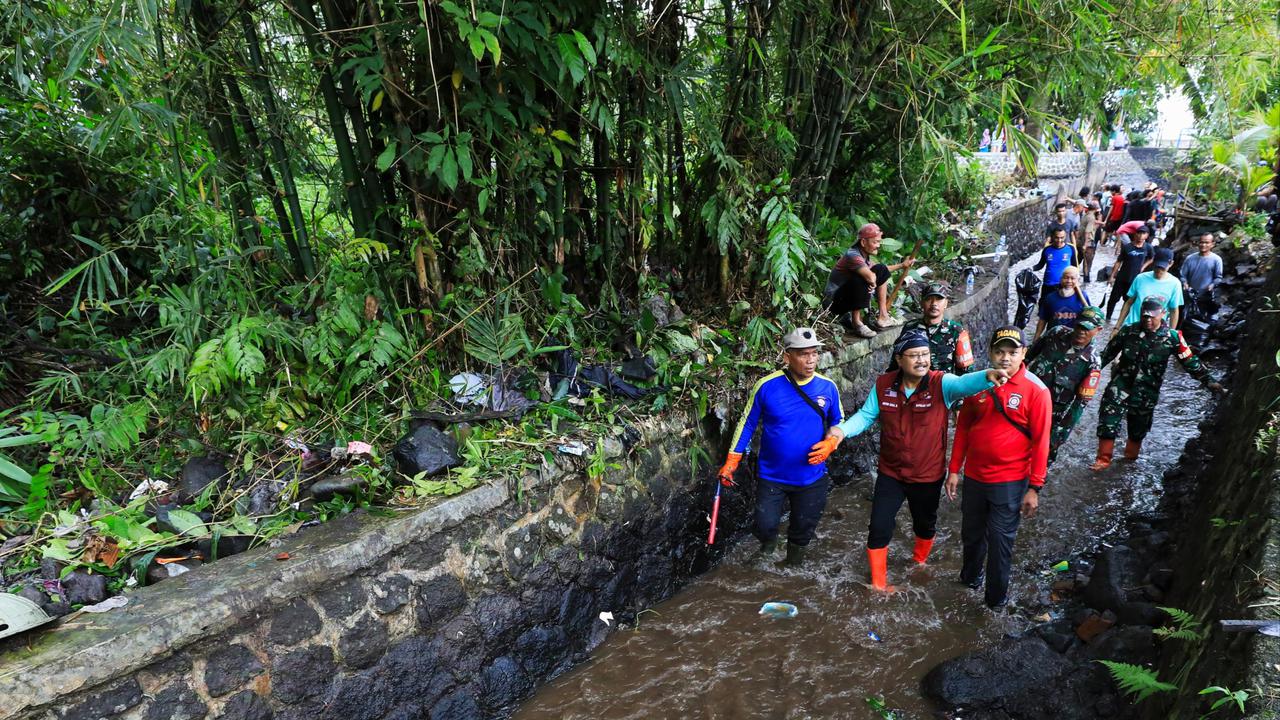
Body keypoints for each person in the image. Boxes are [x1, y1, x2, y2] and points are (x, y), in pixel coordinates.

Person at [807, 330, 1009, 592]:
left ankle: (919, 560)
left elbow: (964, 383)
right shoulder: (884, 384)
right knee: (878, 525)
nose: (922, 360)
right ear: (900, 359)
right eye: (914, 355)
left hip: (927, 474)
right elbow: (866, 416)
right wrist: (840, 432)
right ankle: (879, 585)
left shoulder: (941, 384)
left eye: (925, 354)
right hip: (891, 472)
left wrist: (987, 377)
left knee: (924, 524)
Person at [718, 328, 843, 567]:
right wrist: (732, 460)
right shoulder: (767, 386)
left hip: (811, 477)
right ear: (787, 356)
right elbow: (747, 422)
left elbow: (838, 422)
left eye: (815, 353)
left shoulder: (828, 387)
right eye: (803, 354)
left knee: (803, 528)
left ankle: (792, 566)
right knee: (764, 523)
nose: (811, 360)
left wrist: (831, 442)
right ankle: (768, 547)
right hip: (772, 475)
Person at [946, 326, 1052, 609]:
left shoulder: (1036, 391)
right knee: (971, 534)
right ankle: (970, 580)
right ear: (990, 353)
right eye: (999, 351)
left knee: (1000, 543)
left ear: (1023, 354)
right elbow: (964, 428)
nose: (1005, 358)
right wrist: (954, 469)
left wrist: (1034, 487)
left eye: (1012, 352)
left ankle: (995, 603)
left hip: (1010, 481)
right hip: (975, 478)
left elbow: (1042, 442)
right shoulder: (977, 383)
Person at [1089, 298, 1223, 469]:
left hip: (1147, 390)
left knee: (1138, 429)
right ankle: (1103, 460)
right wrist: (1085, 372)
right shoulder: (1128, 332)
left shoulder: (1172, 338)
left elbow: (1189, 361)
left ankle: (1128, 462)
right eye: (1145, 317)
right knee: (1108, 419)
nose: (1148, 321)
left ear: (1163, 314)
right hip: (1121, 384)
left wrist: (1209, 381)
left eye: (1152, 317)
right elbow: (1105, 356)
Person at [1026, 306, 1104, 463]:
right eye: (1079, 326)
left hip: (1052, 414)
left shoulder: (1092, 362)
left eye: (1087, 329)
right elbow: (1027, 357)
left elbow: (1079, 404)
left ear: (1098, 330)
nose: (1081, 331)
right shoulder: (1056, 333)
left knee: (1041, 458)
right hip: (1026, 400)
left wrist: (1060, 434)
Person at [824, 223, 915, 339]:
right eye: (875, 242)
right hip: (833, 302)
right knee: (862, 278)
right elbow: (870, 277)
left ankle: (883, 316)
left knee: (880, 269)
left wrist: (902, 265)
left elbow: (881, 271)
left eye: (879, 242)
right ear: (863, 242)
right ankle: (856, 323)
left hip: (844, 300)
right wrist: (872, 281)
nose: (878, 246)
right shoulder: (853, 255)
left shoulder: (864, 257)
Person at [888, 283, 975, 375]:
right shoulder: (910, 327)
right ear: (922, 303)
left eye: (939, 299)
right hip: (915, 385)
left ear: (946, 303)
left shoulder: (956, 331)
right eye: (929, 299)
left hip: (943, 386)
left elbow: (966, 370)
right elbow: (896, 363)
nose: (934, 304)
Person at [1117, 248, 1183, 328]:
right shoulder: (1140, 278)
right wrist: (1117, 327)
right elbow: (1128, 303)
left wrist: (1172, 333)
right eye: (1157, 266)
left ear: (1171, 264)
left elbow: (1174, 311)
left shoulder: (1175, 284)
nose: (1159, 270)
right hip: (1132, 325)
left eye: (1162, 268)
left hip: (1154, 330)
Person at [1104, 225, 1156, 321]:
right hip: (1122, 277)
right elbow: (1119, 261)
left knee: (1128, 301)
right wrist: (1112, 276)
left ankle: (1121, 320)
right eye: (1139, 233)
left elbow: (1151, 258)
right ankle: (1107, 319)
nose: (1140, 236)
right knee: (1113, 299)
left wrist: (1143, 267)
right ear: (1135, 234)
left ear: (1147, 235)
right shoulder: (1128, 247)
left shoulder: (1148, 248)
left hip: (1135, 280)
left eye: (1143, 233)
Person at [1033, 266, 1090, 342]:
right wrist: (1036, 339)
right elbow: (1043, 320)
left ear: (1077, 281)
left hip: (1073, 340)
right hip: (1053, 339)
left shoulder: (1083, 297)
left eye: (1072, 278)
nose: (1069, 281)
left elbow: (1089, 319)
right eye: (1066, 278)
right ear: (1061, 280)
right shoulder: (1050, 298)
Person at [1033, 227, 1079, 298]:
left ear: (1065, 237)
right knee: (1044, 306)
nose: (1059, 240)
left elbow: (1075, 267)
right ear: (1052, 237)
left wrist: (1075, 283)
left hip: (1064, 285)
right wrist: (1030, 269)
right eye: (1057, 238)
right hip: (1048, 285)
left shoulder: (1071, 248)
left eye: (1062, 237)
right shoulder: (1047, 249)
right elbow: (1040, 265)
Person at [1179, 232, 1224, 296]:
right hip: (1190, 294)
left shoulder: (1216, 260)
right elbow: (1183, 275)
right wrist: (1184, 283)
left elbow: (1218, 278)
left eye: (1207, 242)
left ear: (1212, 244)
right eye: (1201, 242)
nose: (1203, 245)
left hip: (1206, 296)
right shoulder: (1189, 258)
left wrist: (1212, 285)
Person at [1080, 201, 1102, 279]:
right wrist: (1086, 244)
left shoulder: (1085, 215)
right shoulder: (1091, 218)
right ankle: (1086, 278)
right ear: (1095, 209)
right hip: (1088, 242)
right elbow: (1087, 232)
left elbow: (1092, 227)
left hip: (1081, 240)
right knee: (1088, 261)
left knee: (1080, 259)